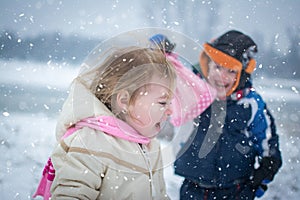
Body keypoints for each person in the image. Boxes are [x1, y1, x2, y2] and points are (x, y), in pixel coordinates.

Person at [34, 46, 177, 199]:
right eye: (162, 103)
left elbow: (159, 195)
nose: (170, 111)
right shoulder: (90, 142)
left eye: (170, 103)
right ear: (124, 101)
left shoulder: (150, 145)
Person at [174, 30, 282, 199]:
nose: (221, 76)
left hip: (236, 189)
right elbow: (165, 86)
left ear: (242, 76)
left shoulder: (249, 103)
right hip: (193, 188)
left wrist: (265, 172)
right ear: (206, 64)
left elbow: (268, 142)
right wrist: (162, 57)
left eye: (231, 71)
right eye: (217, 67)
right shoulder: (193, 92)